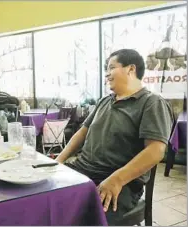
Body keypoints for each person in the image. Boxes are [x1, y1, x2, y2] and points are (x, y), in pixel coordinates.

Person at [55, 49, 173, 225]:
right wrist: (59, 160)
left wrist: (117, 179)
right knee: (46, 197)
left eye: (111, 68)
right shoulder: (104, 101)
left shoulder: (151, 102)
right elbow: (82, 133)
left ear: (130, 69)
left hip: (119, 179)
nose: (107, 74)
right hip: (82, 170)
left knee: (86, 219)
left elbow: (156, 150)